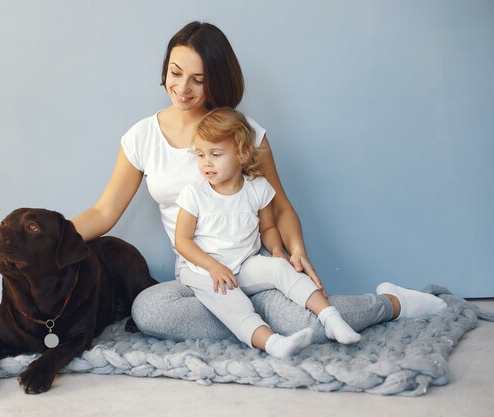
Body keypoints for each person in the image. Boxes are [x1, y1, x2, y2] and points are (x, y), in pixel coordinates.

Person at [71, 21, 447, 346]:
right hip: (203, 276)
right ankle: (259, 325)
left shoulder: (243, 133)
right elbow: (104, 212)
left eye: (198, 80)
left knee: (305, 321)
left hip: (250, 268)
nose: (182, 87)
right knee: (149, 310)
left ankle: (391, 303)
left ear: (216, 80)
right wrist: (54, 237)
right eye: (175, 72)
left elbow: (279, 205)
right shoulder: (142, 136)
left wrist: (294, 249)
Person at [175, 108, 361, 358]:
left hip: (244, 263)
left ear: (241, 154)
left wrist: (275, 252)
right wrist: (213, 267)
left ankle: (331, 318)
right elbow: (182, 241)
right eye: (200, 155)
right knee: (234, 303)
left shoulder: (257, 188)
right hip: (205, 270)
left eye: (216, 154)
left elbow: (269, 228)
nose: (206, 162)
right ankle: (273, 343)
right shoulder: (195, 194)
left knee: (282, 269)